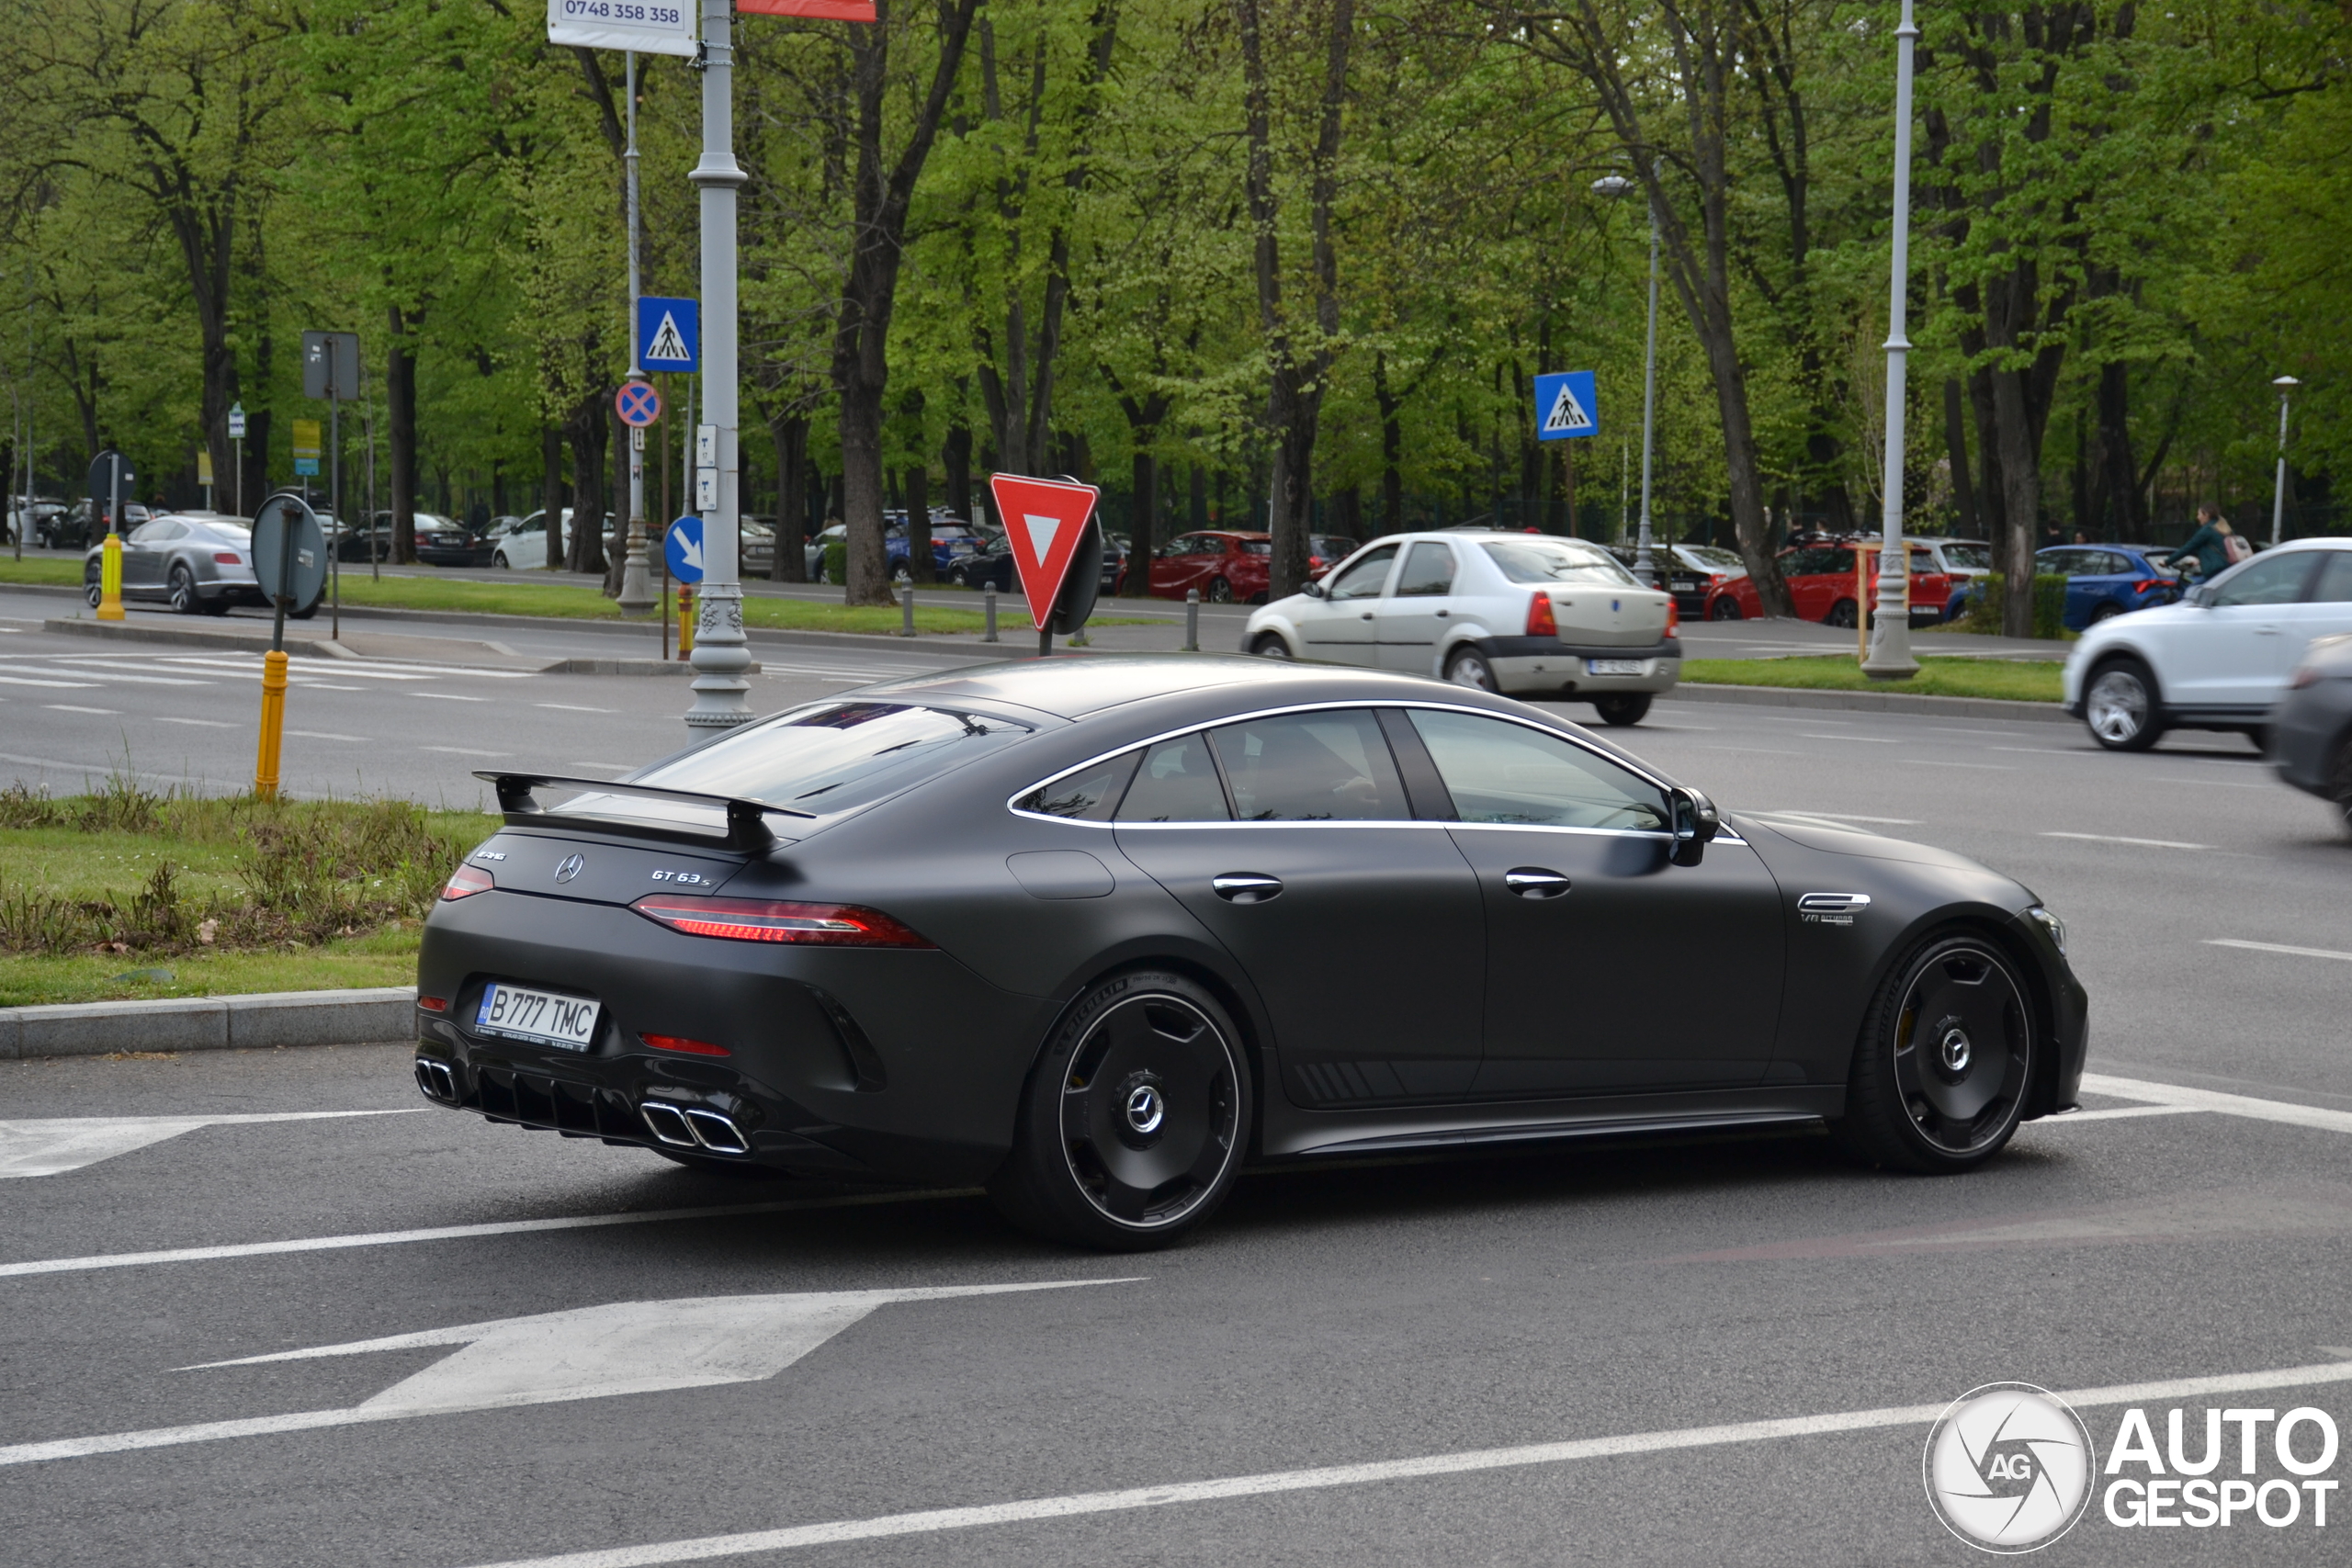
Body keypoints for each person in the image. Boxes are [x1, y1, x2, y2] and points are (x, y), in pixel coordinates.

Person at [2165, 505, 2235, 582]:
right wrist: (2200, 559)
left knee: (2193, 590)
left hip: (2216, 571)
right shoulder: (2223, 528)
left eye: (2199, 514)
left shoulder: (2208, 530)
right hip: (2229, 569)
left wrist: (2167, 561)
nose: (2198, 517)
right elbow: (2219, 549)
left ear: (2206, 515)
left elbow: (2188, 547)